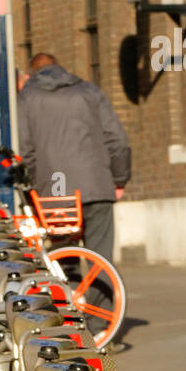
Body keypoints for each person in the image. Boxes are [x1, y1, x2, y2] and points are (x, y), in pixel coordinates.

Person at [17, 52, 130, 266]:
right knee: (101, 258)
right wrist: (119, 179)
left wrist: (33, 185)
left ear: (32, 73)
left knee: (64, 254)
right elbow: (117, 140)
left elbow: (25, 149)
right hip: (96, 186)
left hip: (55, 191)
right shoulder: (89, 91)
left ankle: (70, 298)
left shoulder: (27, 98)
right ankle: (103, 299)